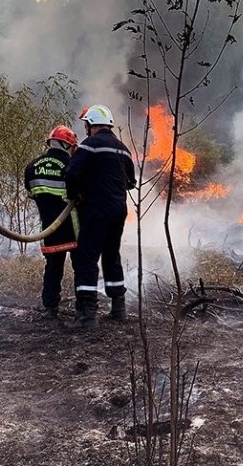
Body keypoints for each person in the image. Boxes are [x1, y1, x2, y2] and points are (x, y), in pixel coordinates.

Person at [64, 104, 136, 329]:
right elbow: (131, 182)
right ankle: (118, 308)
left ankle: (88, 315)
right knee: (111, 255)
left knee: (87, 258)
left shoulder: (90, 145)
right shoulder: (123, 149)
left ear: (91, 125)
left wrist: (75, 195)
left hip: (96, 210)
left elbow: (72, 173)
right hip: (118, 211)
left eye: (86, 124)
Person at [24, 125, 80, 319]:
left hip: (48, 229)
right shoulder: (73, 166)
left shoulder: (32, 167)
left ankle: (50, 308)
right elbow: (80, 195)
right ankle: (82, 310)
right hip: (74, 228)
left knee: (53, 268)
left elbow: (33, 194)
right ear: (67, 145)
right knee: (80, 267)